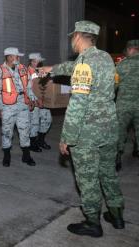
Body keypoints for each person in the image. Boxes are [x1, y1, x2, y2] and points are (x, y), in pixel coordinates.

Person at [40, 21, 125, 237]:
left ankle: (92, 222)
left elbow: (77, 103)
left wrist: (66, 137)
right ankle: (116, 215)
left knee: (87, 179)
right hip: (109, 128)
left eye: (72, 37)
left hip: (87, 133)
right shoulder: (105, 57)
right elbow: (112, 84)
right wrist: (52, 69)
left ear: (78, 36)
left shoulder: (84, 63)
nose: (71, 41)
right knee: (108, 174)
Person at [0, 47, 36, 167]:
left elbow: (29, 87)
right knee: (7, 132)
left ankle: (26, 156)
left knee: (25, 130)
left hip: (23, 104)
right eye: (17, 56)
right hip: (7, 106)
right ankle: (7, 156)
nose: (19, 58)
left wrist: (31, 99)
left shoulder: (23, 69)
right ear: (10, 57)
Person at [115, 39, 139, 171]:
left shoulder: (122, 65)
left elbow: (114, 84)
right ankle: (136, 149)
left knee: (120, 131)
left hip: (124, 105)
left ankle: (117, 159)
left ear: (130, 49)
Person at [27, 53, 52, 152]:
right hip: (33, 102)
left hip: (43, 101)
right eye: (36, 61)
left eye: (39, 61)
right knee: (34, 123)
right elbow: (28, 89)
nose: (38, 63)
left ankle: (41, 141)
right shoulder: (26, 72)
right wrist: (36, 101)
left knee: (47, 120)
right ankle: (32, 144)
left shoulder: (40, 71)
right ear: (31, 61)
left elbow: (46, 86)